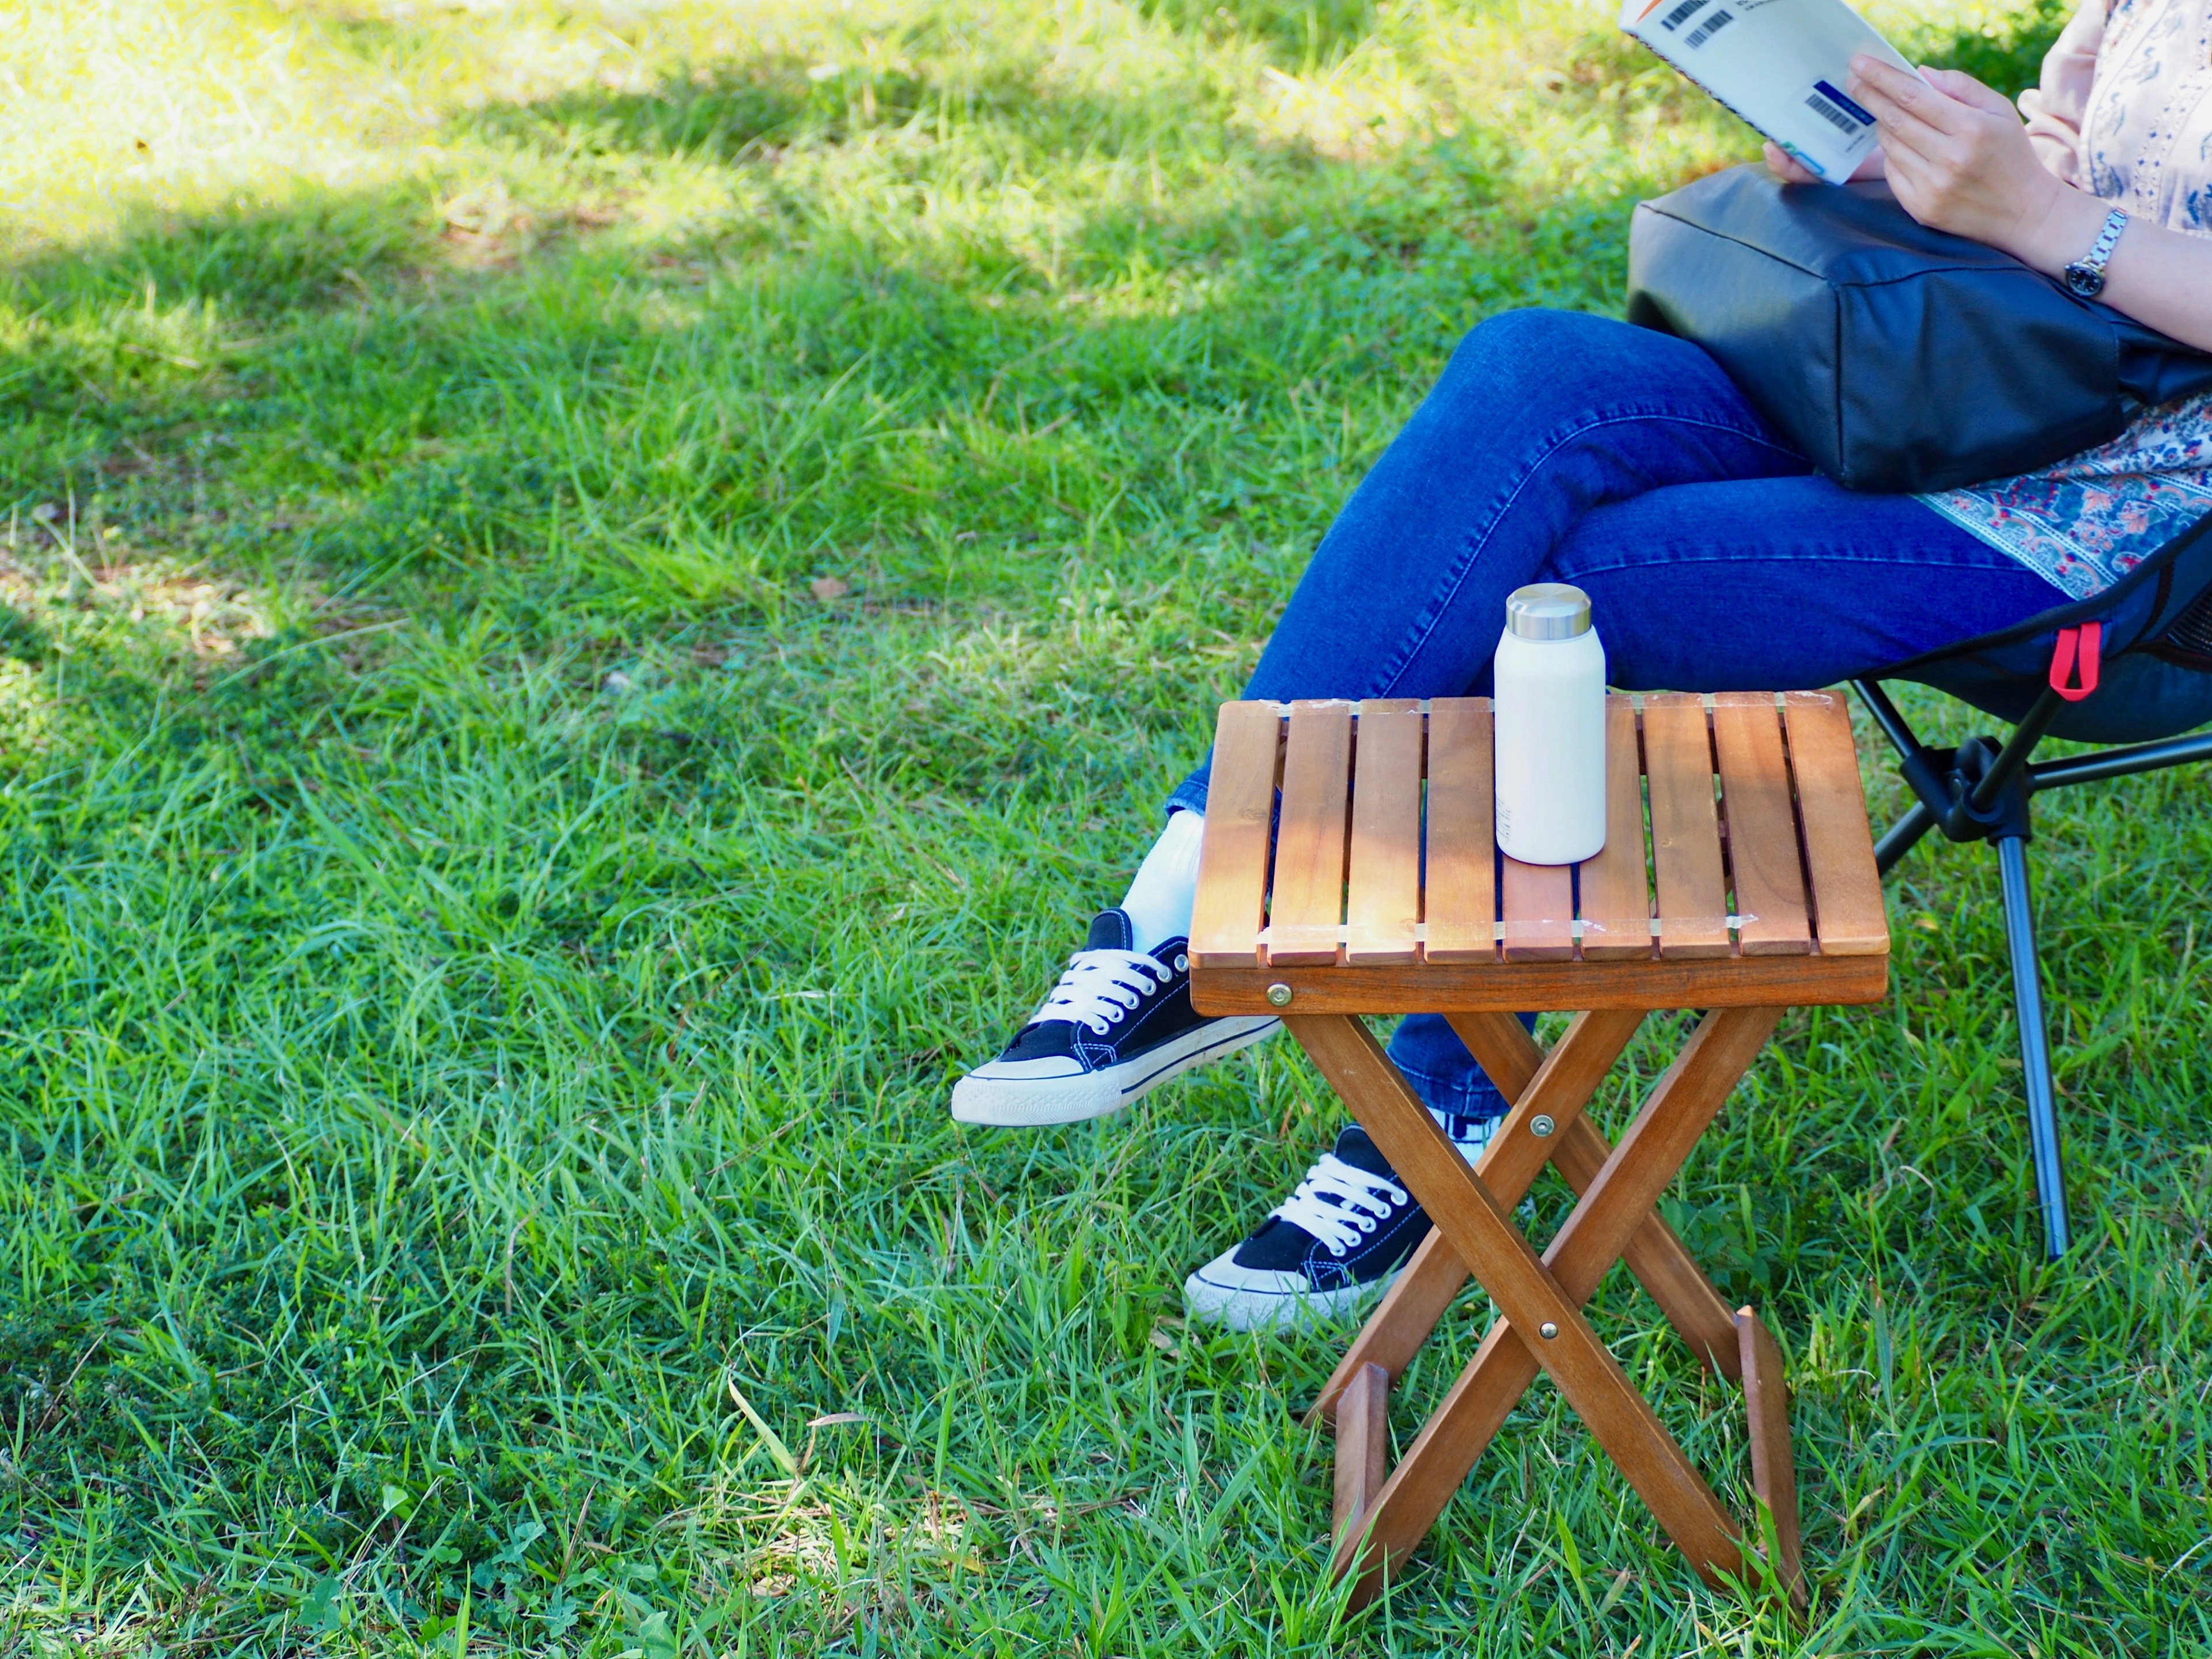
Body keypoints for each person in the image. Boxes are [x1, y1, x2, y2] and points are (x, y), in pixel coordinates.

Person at [952, 0, 2212, 1332]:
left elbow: (2069, 221)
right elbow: (2071, 156)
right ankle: (1192, 895)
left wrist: (2047, 222)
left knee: (1548, 589)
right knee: (1532, 370)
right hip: (1986, 390)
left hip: (2130, 539)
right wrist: (1942, 165)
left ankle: (1449, 1113)